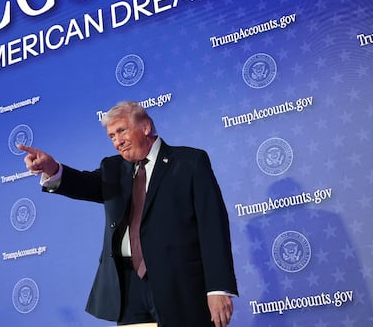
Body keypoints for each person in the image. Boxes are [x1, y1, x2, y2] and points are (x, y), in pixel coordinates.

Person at [21, 101, 238, 327]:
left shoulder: (189, 162)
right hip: (128, 285)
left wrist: (218, 287)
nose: (117, 142)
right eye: (111, 136)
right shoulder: (112, 168)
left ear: (145, 127)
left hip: (179, 283)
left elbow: (212, 227)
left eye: (121, 131)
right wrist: (52, 169)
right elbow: (84, 184)